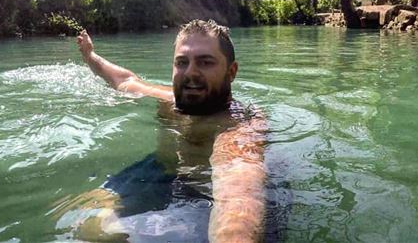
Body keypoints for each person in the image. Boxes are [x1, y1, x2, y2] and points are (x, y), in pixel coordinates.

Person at [65, 19, 267, 242]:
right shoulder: (169, 100)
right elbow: (125, 80)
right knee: (87, 227)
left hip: (202, 192)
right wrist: (91, 57)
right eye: (182, 62)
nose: (190, 72)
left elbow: (239, 195)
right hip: (158, 172)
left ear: (232, 72)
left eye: (205, 62)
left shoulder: (239, 126)